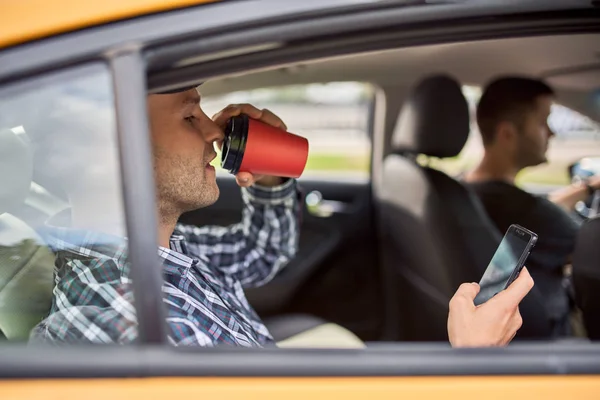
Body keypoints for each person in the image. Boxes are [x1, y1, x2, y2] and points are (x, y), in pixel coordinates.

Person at [31, 85, 534, 347]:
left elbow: (258, 255)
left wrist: (269, 178)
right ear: (111, 149)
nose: (213, 131)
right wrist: (471, 362)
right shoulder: (142, 327)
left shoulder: (148, 251)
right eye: (189, 115)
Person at [464, 76, 600, 336]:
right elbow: (590, 248)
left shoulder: (466, 189)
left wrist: (587, 188)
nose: (551, 132)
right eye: (543, 122)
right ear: (507, 134)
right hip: (553, 337)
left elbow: (543, 211)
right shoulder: (525, 210)